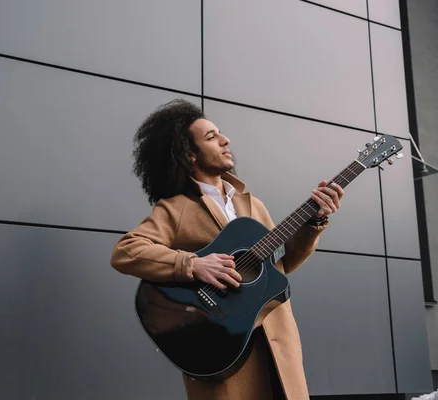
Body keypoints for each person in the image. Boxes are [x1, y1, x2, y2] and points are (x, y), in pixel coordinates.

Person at [110, 99, 344, 400]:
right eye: (211, 137)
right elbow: (126, 251)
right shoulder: (176, 209)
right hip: (220, 348)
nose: (226, 140)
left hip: (277, 341)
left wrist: (316, 221)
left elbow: (281, 266)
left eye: (220, 133)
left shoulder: (252, 204)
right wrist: (192, 264)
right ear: (189, 154)